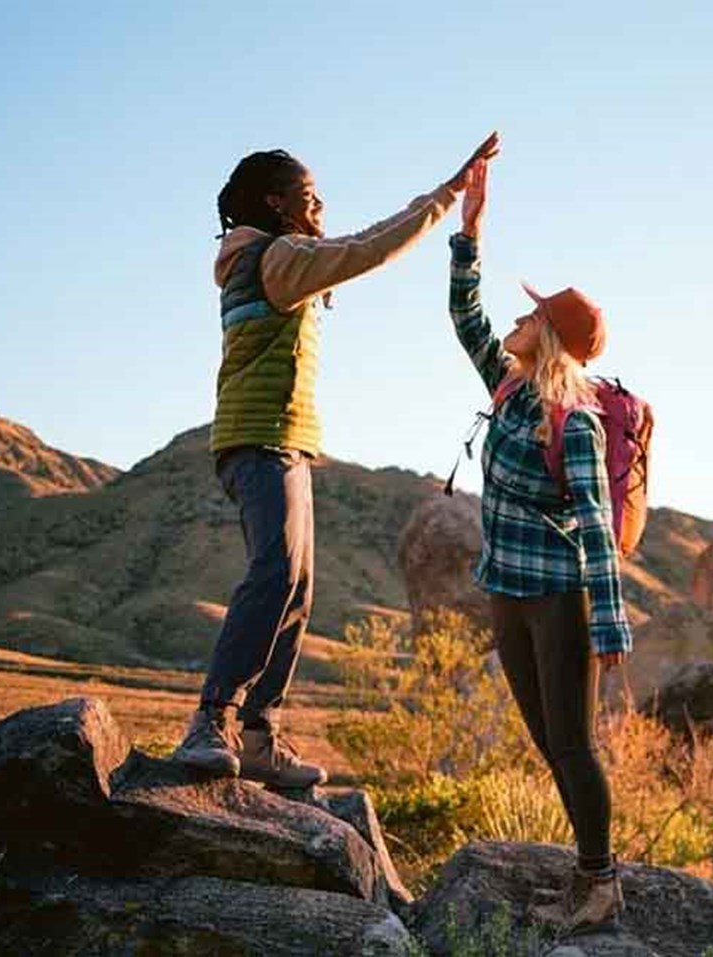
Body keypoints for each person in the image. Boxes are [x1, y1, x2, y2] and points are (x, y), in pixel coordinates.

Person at [173, 133, 501, 788]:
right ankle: (213, 718)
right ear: (277, 203)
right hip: (261, 436)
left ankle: (260, 736)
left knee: (295, 588)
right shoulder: (278, 257)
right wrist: (445, 197)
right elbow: (367, 248)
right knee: (274, 576)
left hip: (282, 439)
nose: (320, 205)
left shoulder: (271, 258)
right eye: (309, 195)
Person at [447, 157, 633, 931]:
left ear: (549, 335)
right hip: (507, 590)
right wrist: (470, 231)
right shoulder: (507, 386)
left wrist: (610, 624)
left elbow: (595, 524)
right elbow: (465, 315)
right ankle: (587, 875)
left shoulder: (575, 421)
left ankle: (600, 882)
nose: (515, 322)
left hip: (558, 598)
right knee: (546, 742)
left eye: (531, 316)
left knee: (573, 744)